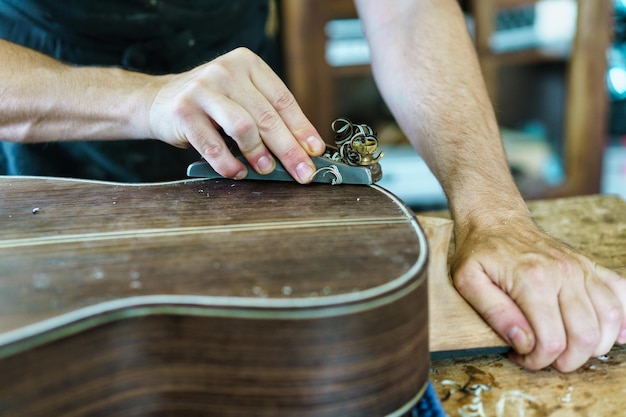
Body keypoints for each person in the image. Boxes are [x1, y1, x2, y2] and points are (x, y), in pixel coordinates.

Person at [0, 0, 624, 373]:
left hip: (246, 165)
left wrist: (496, 217)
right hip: (46, 196)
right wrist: (142, 97)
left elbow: (406, 11)